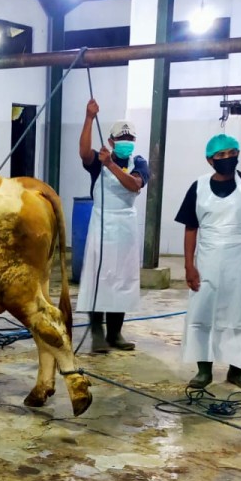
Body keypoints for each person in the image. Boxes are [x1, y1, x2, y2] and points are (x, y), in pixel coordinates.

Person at [174, 133, 241, 391]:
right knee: (203, 311)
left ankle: (237, 370)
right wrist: (189, 265)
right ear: (209, 160)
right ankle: (203, 370)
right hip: (207, 259)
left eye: (232, 153)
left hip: (240, 260)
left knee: (239, 312)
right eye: (221, 155)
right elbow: (191, 228)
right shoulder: (198, 187)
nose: (227, 158)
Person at [77, 100, 150, 353]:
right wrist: (89, 118)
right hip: (102, 225)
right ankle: (97, 332)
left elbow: (134, 185)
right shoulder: (99, 160)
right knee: (99, 278)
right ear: (111, 141)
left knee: (122, 279)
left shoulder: (138, 163)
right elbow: (83, 152)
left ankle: (115, 333)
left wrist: (111, 165)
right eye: (121, 137)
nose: (126, 141)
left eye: (129, 137)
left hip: (126, 227)